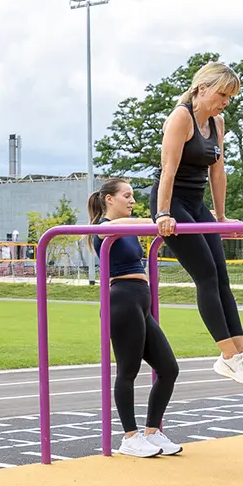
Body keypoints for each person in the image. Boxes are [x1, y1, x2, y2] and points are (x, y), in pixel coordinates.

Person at [153, 61, 243, 385]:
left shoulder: (217, 122)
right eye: (222, 94)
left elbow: (217, 172)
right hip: (172, 202)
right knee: (206, 275)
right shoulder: (182, 117)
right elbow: (168, 170)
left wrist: (220, 216)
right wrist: (162, 213)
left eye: (229, 97)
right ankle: (228, 356)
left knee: (222, 277)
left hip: (196, 204)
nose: (225, 102)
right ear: (202, 88)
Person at [88, 178, 182, 458]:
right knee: (128, 371)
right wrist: (158, 219)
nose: (131, 200)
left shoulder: (127, 229)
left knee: (169, 368)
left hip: (141, 299)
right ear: (109, 199)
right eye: (126, 196)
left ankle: (153, 431)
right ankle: (130, 436)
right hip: (123, 300)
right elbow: (105, 232)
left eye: (132, 196)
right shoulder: (104, 228)